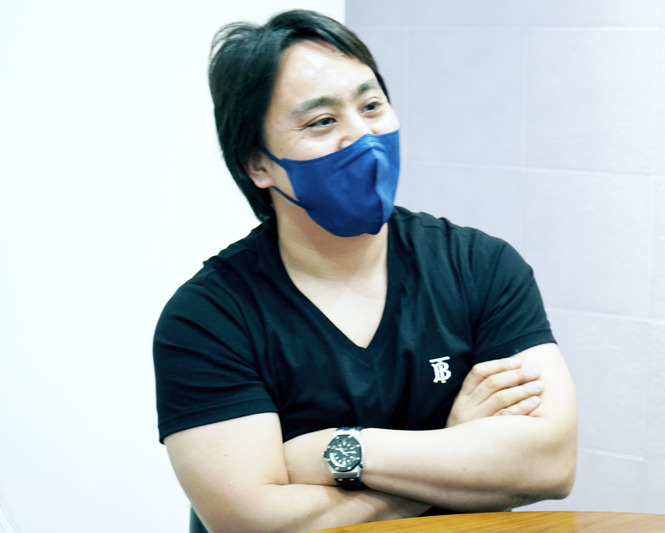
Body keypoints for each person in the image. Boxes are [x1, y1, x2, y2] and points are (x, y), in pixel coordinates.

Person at [153, 9, 577, 533]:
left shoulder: (479, 267)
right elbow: (253, 523)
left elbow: (550, 464)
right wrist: (452, 453)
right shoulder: (210, 318)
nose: (361, 136)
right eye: (322, 122)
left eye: (371, 106)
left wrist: (338, 452)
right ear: (257, 164)